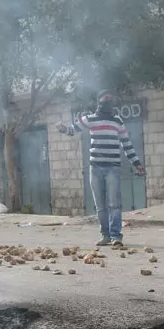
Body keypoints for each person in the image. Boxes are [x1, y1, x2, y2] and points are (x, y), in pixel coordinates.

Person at [57, 90, 144, 247]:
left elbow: (127, 144)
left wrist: (137, 163)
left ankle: (116, 237)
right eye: (106, 99)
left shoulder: (117, 121)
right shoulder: (90, 119)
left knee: (114, 204)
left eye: (111, 99)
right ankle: (105, 235)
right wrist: (63, 128)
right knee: (100, 206)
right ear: (99, 101)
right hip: (95, 168)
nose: (108, 102)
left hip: (113, 168)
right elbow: (72, 130)